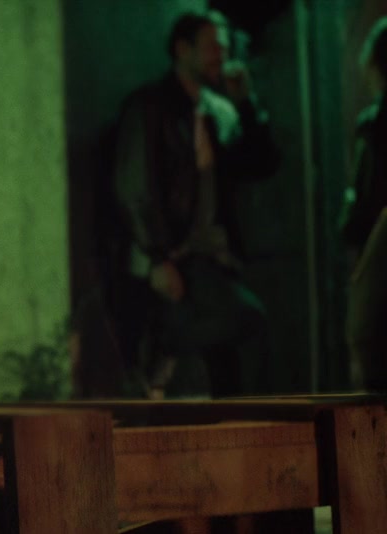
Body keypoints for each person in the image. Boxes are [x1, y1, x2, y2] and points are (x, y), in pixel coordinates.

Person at [113, 11, 280, 398]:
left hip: (214, 257)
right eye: (211, 48)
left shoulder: (219, 112)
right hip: (174, 254)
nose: (220, 57)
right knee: (248, 324)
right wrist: (158, 257)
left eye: (224, 49)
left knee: (229, 360)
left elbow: (262, 164)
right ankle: (164, 348)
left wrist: (247, 103)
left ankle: (169, 353)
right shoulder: (150, 107)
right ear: (182, 50)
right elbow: (135, 185)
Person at [343, 18, 387, 392]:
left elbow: (366, 193)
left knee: (368, 333)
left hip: (379, 240)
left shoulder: (376, 124)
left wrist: (352, 229)